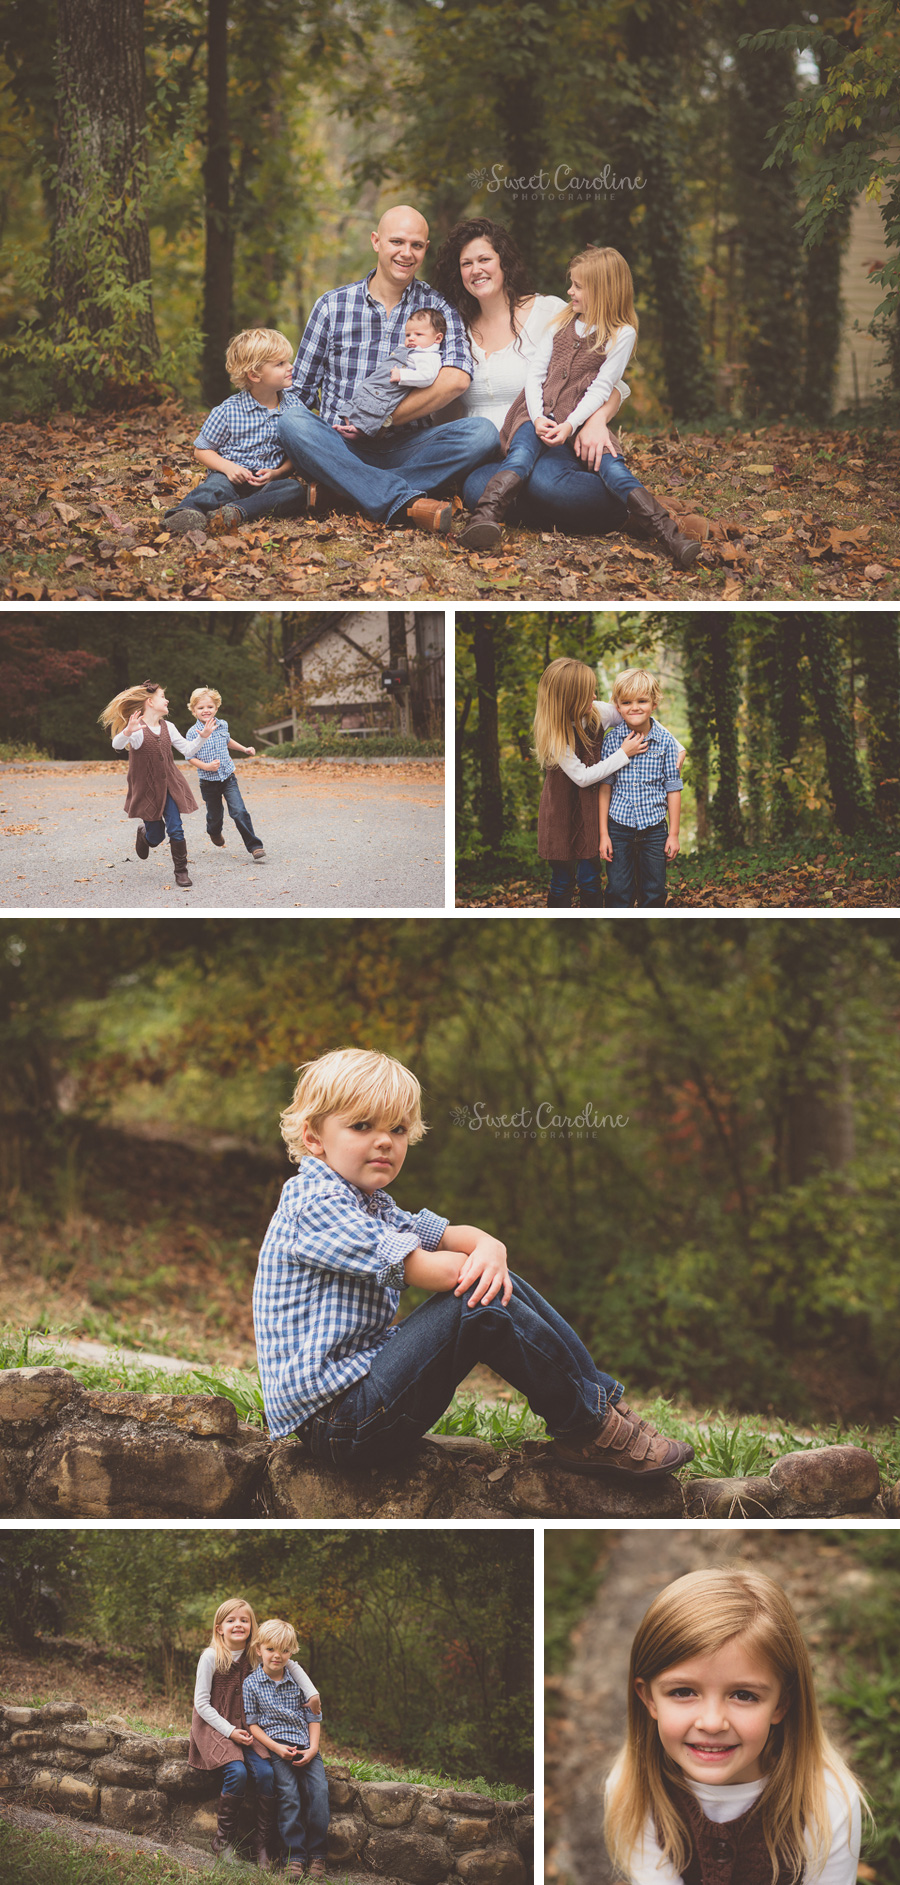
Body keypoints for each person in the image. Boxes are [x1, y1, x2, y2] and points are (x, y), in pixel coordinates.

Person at [252, 1047, 695, 1478]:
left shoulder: (371, 1202)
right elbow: (434, 1270)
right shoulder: (316, 1204)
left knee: (494, 1280)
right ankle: (587, 1427)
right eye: (362, 1126)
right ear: (313, 1137)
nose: (385, 1141)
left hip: (364, 1395)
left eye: (398, 1129)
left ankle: (600, 1405)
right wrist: (483, 1262)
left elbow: (450, 1235)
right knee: (477, 1298)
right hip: (340, 1422)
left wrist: (491, 1247)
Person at [432, 218, 704, 551]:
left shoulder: (550, 311)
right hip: (499, 455)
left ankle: (628, 511)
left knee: (547, 483)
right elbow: (443, 402)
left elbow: (611, 383)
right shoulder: (454, 330)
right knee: (476, 488)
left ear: (503, 262)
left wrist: (596, 421)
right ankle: (585, 511)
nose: (476, 269)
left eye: (484, 259)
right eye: (466, 263)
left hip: (557, 440)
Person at [604, 1567, 866, 1884]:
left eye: (743, 1695)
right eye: (683, 1692)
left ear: (781, 1704)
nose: (712, 1723)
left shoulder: (828, 1803)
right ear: (649, 1698)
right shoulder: (631, 1790)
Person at [277, 205, 499, 534]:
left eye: (416, 245)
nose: (406, 253)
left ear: (425, 248)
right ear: (376, 241)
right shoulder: (331, 306)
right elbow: (299, 392)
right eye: (397, 242)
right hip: (339, 445)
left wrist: (379, 420)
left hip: (405, 447)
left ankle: (342, 491)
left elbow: (456, 379)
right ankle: (398, 497)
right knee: (292, 421)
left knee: (482, 434)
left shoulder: (438, 308)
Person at [188, 1595, 318, 1871]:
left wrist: (313, 1694)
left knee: (267, 1774)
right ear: (219, 1628)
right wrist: (230, 1731)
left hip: (249, 1729)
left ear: (252, 1627)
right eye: (231, 1620)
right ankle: (223, 1841)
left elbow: (290, 1664)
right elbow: (201, 1703)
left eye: (244, 1620)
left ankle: (262, 1844)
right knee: (237, 1772)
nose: (238, 1624)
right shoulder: (211, 1656)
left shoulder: (255, 1653)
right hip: (216, 1728)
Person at [165, 328, 310, 536]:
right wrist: (228, 468)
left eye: (287, 361)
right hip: (228, 477)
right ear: (254, 375)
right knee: (213, 488)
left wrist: (278, 473)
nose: (290, 367)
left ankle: (237, 511)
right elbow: (201, 450)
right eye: (280, 364)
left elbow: (295, 453)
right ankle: (187, 512)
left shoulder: (294, 408)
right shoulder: (228, 410)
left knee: (293, 490)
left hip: (266, 484)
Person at [533, 656, 650, 909]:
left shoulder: (598, 712)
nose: (595, 696)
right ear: (569, 699)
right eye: (587, 694)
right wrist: (623, 754)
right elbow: (583, 778)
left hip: (590, 811)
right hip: (561, 813)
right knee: (562, 880)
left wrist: (676, 746)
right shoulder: (554, 733)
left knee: (590, 879)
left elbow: (637, 716)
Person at [99, 680, 217, 889]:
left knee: (176, 828)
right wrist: (127, 731)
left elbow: (187, 750)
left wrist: (203, 738)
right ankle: (145, 834)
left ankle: (181, 871)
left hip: (170, 785)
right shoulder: (137, 729)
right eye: (162, 697)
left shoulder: (168, 727)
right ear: (150, 702)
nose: (167, 700)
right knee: (156, 836)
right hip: (147, 790)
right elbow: (116, 744)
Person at [244, 1617, 329, 1881]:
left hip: (306, 1747)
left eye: (284, 1650)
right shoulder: (251, 1684)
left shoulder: (298, 1679)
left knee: (319, 1793)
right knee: (289, 1796)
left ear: (291, 1652)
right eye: (270, 1649)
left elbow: (314, 1716)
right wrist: (276, 1749)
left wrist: (313, 1748)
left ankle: (318, 1855)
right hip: (277, 1750)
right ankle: (295, 1856)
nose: (277, 1655)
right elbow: (252, 1725)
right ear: (259, 1649)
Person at [598, 667, 683, 908]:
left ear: (654, 703)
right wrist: (603, 834)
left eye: (642, 701)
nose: (634, 707)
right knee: (618, 890)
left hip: (654, 829)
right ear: (617, 706)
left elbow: (673, 788)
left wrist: (674, 834)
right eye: (627, 702)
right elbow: (605, 788)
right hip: (618, 828)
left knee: (654, 890)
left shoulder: (666, 741)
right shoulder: (612, 740)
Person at [185, 686, 266, 861]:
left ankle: (255, 846)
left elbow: (227, 740)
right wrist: (206, 766)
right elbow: (190, 756)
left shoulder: (222, 724)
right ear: (194, 710)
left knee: (239, 811)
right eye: (201, 707)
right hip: (208, 782)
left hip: (228, 777)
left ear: (216, 708)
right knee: (215, 816)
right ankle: (214, 832)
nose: (206, 710)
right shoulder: (193, 732)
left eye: (210, 707)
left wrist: (244, 749)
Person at [340, 307, 447, 435]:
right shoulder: (415, 350)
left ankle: (359, 431)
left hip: (389, 390)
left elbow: (427, 376)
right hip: (376, 383)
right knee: (360, 397)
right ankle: (349, 422)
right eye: (408, 335)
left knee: (373, 408)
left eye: (418, 334)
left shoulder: (428, 356)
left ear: (437, 338)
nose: (411, 338)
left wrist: (402, 375)